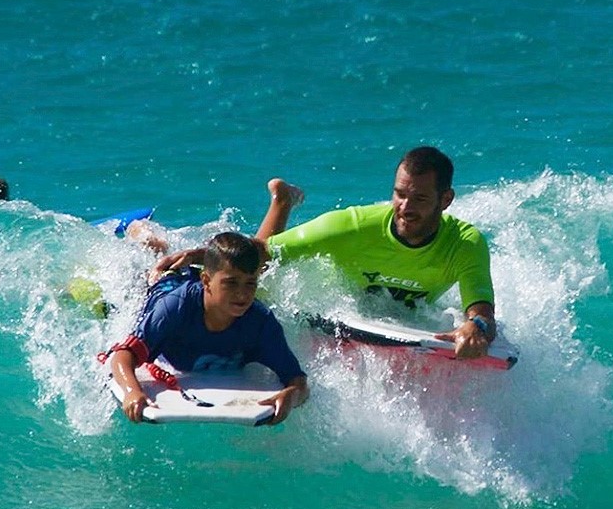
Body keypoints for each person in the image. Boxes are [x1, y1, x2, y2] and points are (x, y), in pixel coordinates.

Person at [156, 147, 496, 361]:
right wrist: (203, 255)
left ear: (446, 199)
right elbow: (262, 251)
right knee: (256, 275)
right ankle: (281, 202)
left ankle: (283, 200)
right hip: (347, 302)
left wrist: (475, 327)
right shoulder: (353, 227)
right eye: (399, 195)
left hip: (393, 314)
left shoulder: (465, 244)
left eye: (419, 199)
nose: (405, 208)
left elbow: (481, 311)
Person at [104, 231, 308, 425]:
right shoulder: (175, 308)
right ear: (206, 281)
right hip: (165, 287)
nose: (243, 294)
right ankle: (142, 232)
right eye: (232, 283)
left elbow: (298, 381)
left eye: (250, 284)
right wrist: (132, 390)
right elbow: (123, 354)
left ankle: (281, 202)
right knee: (154, 268)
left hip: (203, 282)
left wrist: (292, 395)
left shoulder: (260, 322)